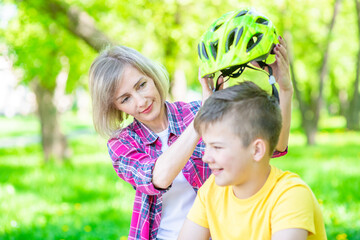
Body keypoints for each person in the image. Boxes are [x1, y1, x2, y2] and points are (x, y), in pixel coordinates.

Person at [88, 8, 292, 240]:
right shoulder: (121, 144)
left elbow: (271, 148)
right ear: (115, 107)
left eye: (141, 85)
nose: (141, 101)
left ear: (152, 76)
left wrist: (285, 90)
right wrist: (201, 121)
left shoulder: (195, 110)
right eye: (125, 99)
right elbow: (159, 177)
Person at [178, 81, 327, 240]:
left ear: (256, 150)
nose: (205, 157)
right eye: (206, 145)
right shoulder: (211, 190)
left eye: (217, 147)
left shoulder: (290, 195)